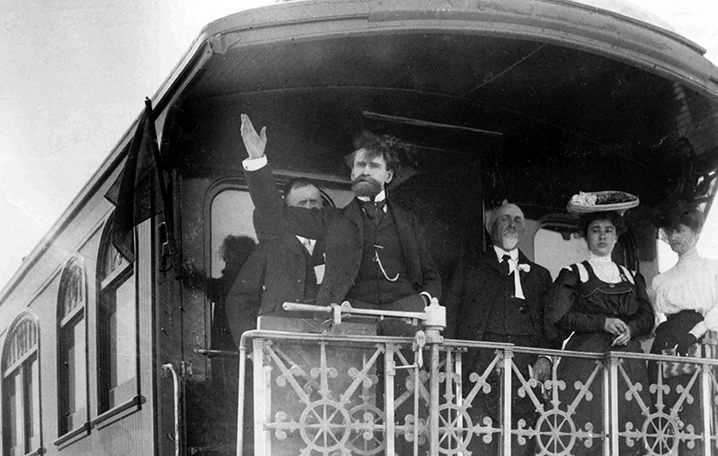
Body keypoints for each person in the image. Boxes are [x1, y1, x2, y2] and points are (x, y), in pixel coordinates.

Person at [237, 114, 440, 333]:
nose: (365, 171)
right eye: (360, 165)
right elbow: (276, 215)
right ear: (352, 173)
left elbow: (430, 276)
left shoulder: (409, 221)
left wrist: (422, 300)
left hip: (404, 323)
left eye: (374, 165)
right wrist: (257, 160)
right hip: (351, 325)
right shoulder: (332, 220)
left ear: (388, 175)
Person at [445, 200, 555, 456]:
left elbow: (549, 325)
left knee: (521, 439)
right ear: (490, 226)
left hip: (524, 365)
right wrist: (449, 362)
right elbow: (451, 315)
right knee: (475, 437)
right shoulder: (469, 268)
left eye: (517, 220)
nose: (512, 225)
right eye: (505, 219)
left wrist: (545, 357)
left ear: (524, 229)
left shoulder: (540, 275)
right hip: (478, 363)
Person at [545, 210, 653, 456]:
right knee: (585, 426)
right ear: (586, 236)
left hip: (628, 363)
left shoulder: (632, 277)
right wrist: (601, 322)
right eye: (595, 230)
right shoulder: (574, 273)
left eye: (608, 230)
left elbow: (647, 318)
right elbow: (558, 317)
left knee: (627, 429)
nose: (602, 236)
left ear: (616, 236)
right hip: (586, 362)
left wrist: (631, 329)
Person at [648, 204, 718, 456]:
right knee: (671, 407)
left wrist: (697, 331)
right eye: (670, 231)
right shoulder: (661, 280)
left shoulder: (715, 269)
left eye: (680, 230)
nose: (674, 237)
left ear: (696, 233)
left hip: (703, 341)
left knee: (715, 403)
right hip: (669, 344)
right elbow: (655, 318)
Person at [225, 178, 326, 341]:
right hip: (276, 347)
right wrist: (252, 346)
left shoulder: (337, 248)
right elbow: (239, 301)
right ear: (287, 210)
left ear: (322, 206)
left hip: (326, 346)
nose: (308, 208)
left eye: (313, 202)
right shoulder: (267, 249)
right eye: (302, 203)